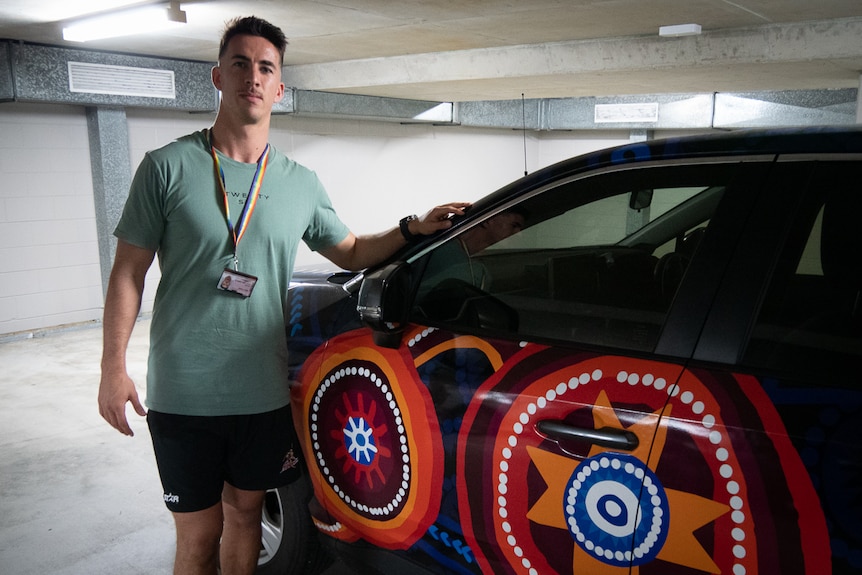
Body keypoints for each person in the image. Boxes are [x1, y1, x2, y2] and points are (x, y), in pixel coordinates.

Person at [97, 16, 469, 575]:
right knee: (199, 535)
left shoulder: (299, 182)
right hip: (183, 393)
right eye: (241, 64)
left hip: (260, 393)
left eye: (265, 67)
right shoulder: (166, 168)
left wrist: (413, 228)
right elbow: (128, 272)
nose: (253, 76)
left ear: (279, 89)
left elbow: (350, 251)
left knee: (246, 519)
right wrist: (112, 367)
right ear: (218, 76)